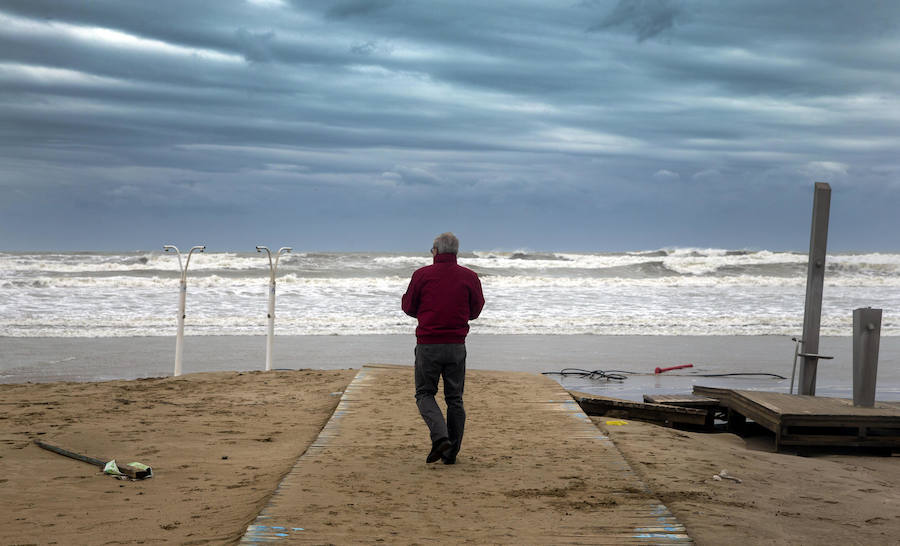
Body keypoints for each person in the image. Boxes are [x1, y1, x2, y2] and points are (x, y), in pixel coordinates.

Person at [401, 232, 485, 464]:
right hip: (456, 345)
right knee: (454, 398)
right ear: (456, 252)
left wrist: (428, 314)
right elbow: (476, 310)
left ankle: (440, 438)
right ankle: (451, 453)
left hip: (428, 344)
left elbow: (408, 307)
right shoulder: (469, 276)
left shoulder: (422, 275)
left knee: (425, 393)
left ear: (436, 251)